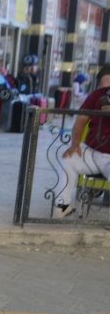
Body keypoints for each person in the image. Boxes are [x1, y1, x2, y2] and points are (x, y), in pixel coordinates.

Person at [54, 64, 110, 218]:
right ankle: (62, 207)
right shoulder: (97, 95)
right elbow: (80, 120)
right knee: (68, 160)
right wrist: (75, 144)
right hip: (92, 151)